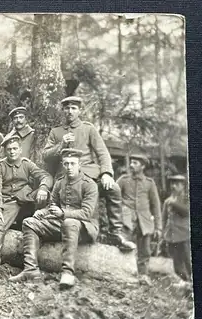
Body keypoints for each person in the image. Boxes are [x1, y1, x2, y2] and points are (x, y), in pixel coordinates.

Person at [42, 96, 136, 252]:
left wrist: (106, 173)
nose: (70, 111)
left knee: (113, 189)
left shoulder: (88, 129)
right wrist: (61, 145)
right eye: (66, 108)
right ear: (63, 110)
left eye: (73, 108)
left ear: (79, 110)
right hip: (67, 179)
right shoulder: (56, 132)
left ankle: (116, 233)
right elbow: (45, 156)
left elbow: (102, 153)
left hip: (89, 178)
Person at [11, 148, 99, 288]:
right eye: (66, 164)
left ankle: (67, 272)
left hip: (84, 228)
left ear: (79, 164)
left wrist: (63, 213)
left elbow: (86, 213)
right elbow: (53, 205)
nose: (69, 167)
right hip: (60, 223)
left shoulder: (89, 184)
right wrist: (43, 212)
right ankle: (30, 269)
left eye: (72, 163)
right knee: (29, 222)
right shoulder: (60, 182)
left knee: (69, 223)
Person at [0, 135, 53, 279]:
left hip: (27, 201)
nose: (12, 152)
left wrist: (43, 188)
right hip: (9, 202)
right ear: (5, 151)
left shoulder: (27, 164)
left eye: (15, 148)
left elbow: (46, 176)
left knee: (45, 195)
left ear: (20, 150)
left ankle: (46, 232)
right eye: (9, 149)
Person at [117, 154, 162, 285]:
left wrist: (158, 227)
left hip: (145, 221)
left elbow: (156, 205)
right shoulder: (123, 180)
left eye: (135, 163)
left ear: (143, 166)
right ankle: (123, 274)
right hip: (126, 220)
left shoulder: (149, 183)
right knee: (124, 246)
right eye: (131, 162)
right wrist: (121, 210)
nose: (131, 165)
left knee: (145, 250)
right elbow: (113, 195)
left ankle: (143, 276)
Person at [162, 174, 191, 287]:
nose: (173, 186)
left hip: (184, 235)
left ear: (183, 186)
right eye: (172, 183)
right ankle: (185, 282)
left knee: (188, 260)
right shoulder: (167, 201)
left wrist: (174, 204)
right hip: (171, 236)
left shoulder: (187, 199)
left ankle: (191, 282)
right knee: (177, 264)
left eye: (177, 184)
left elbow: (187, 212)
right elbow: (164, 219)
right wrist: (163, 235)